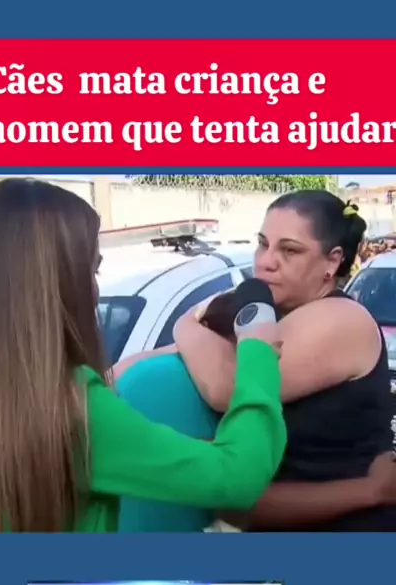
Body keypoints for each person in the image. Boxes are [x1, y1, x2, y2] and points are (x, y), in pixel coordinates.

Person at [0, 178, 287, 533]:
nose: (94, 291)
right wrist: (257, 349)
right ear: (52, 284)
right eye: (92, 270)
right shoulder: (71, 409)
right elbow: (236, 476)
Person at [117, 190, 396, 532]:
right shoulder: (267, 317)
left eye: (289, 250)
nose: (266, 261)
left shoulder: (343, 318)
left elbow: (230, 388)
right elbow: (153, 362)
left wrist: (186, 324)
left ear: (332, 261)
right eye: (263, 244)